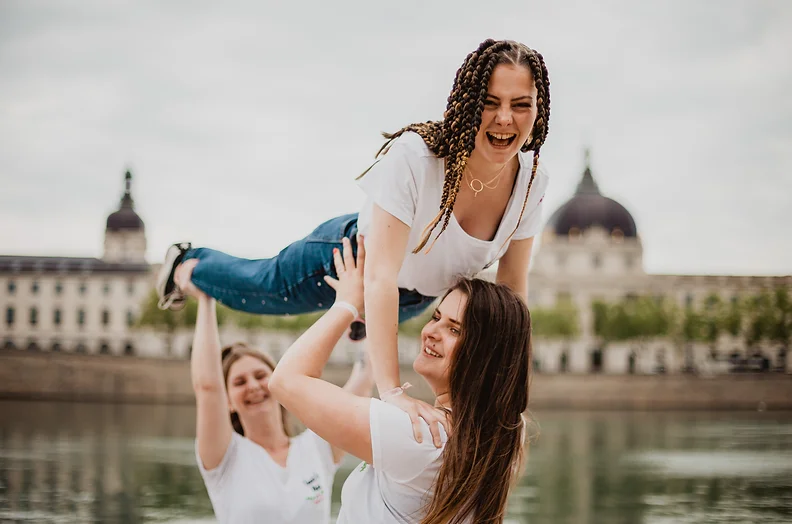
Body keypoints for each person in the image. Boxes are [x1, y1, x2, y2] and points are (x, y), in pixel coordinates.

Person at [158, 38, 549, 442]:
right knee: (262, 290)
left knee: (382, 308)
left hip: (415, 300)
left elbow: (512, 296)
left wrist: (512, 401)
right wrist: (392, 393)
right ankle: (189, 263)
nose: (505, 118)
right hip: (349, 259)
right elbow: (378, 276)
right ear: (467, 103)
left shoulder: (532, 181)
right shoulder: (416, 157)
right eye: (490, 101)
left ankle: (364, 322)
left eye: (521, 104)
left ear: (538, 111)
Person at [269, 236, 533, 523]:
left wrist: (347, 304)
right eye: (436, 317)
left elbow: (285, 380)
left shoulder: (420, 435)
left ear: (486, 355)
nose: (431, 332)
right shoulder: (505, 434)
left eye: (454, 330)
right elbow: (513, 332)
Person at [181, 263, 374, 524]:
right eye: (239, 382)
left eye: (261, 376)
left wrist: (363, 312)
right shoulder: (225, 457)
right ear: (228, 402)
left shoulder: (317, 447)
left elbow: (363, 379)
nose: (253, 386)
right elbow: (207, 388)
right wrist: (206, 299)